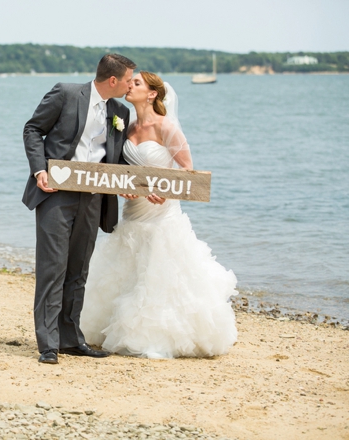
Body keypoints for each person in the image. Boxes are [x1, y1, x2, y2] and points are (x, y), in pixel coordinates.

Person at [80, 71, 238, 359]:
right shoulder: (124, 125)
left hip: (161, 213)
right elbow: (118, 167)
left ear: (152, 93)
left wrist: (165, 190)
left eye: (137, 83)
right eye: (131, 81)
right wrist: (123, 188)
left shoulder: (167, 127)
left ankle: (159, 335)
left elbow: (187, 170)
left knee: (159, 271)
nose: (130, 86)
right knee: (126, 269)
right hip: (133, 211)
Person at [23, 54, 136, 364]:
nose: (130, 85)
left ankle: (71, 340)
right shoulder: (66, 93)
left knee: (78, 271)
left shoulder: (120, 112)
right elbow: (33, 130)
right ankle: (48, 343)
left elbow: (119, 160)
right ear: (113, 80)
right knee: (52, 268)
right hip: (56, 193)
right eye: (128, 79)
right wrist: (39, 169)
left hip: (94, 199)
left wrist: (134, 184)